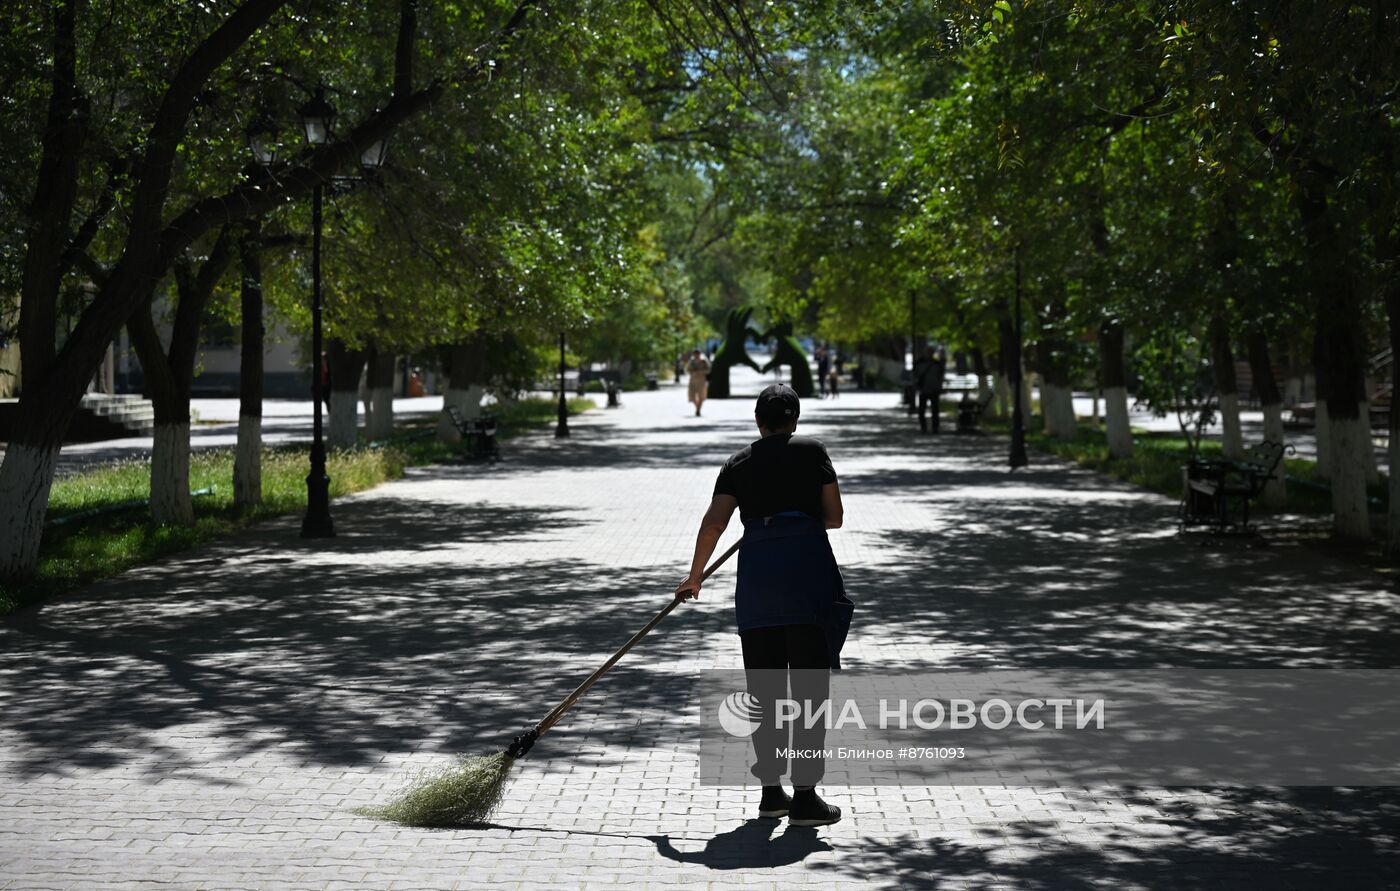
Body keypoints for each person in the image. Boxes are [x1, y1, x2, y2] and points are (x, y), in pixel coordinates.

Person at [676, 384, 852, 827]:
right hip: (806, 582)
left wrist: (695, 576)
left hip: (757, 586)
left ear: (759, 422)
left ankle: (771, 793)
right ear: (794, 420)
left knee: (766, 693)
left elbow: (715, 521)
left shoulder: (738, 463)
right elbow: (834, 517)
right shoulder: (813, 452)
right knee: (809, 692)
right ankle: (806, 797)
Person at [912, 346, 947, 433]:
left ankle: (935, 427)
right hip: (923, 389)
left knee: (935, 410)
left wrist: (940, 386)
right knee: (921, 410)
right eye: (927, 352)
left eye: (930, 352)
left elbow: (941, 376)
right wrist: (915, 385)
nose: (929, 353)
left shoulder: (937, 363)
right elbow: (914, 375)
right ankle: (923, 427)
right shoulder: (918, 363)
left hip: (934, 389)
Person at [686, 349, 712, 417]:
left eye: (697, 354)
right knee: (692, 396)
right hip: (693, 380)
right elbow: (687, 369)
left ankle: (698, 410)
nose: (696, 355)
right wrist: (692, 372)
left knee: (701, 396)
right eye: (695, 354)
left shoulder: (704, 361)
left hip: (701, 380)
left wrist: (701, 371)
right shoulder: (691, 361)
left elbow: (709, 370)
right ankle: (697, 407)